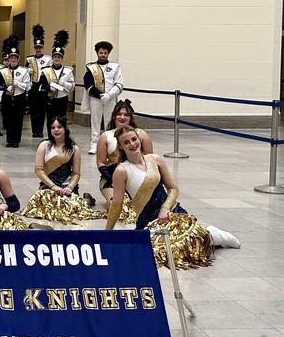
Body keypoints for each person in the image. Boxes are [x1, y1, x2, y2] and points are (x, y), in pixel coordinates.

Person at [106, 126, 239, 267]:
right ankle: (210, 234)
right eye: (126, 142)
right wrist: (106, 233)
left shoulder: (155, 160)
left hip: (172, 214)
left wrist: (165, 208)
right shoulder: (121, 170)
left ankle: (214, 235)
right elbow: (116, 204)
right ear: (121, 146)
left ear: (139, 139)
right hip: (148, 221)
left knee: (189, 243)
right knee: (160, 252)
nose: (132, 144)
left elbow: (173, 189)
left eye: (134, 139)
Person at [22, 116, 104, 225]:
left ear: (65, 128)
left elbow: (76, 173)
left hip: (67, 186)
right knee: (48, 208)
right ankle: (85, 200)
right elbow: (39, 170)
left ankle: (87, 201)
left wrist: (69, 187)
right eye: (53, 127)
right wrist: (53, 186)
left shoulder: (74, 148)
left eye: (59, 127)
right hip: (48, 186)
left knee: (71, 209)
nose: (56, 130)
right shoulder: (44, 146)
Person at [96, 99, 153, 202]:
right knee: (120, 209)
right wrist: (111, 179)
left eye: (126, 115)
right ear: (114, 116)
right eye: (119, 114)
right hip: (111, 179)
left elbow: (151, 160)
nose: (122, 117)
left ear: (130, 117)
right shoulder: (105, 136)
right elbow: (101, 162)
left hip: (137, 178)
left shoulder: (141, 134)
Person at [83, 40, 124, 154]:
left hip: (110, 99)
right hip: (96, 98)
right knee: (95, 121)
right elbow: (88, 83)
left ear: (108, 54)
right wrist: (100, 95)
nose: (103, 55)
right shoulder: (91, 67)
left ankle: (109, 144)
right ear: (97, 53)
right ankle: (94, 145)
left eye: (105, 53)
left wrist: (109, 95)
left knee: (109, 121)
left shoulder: (115, 67)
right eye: (101, 52)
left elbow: (119, 83)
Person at [0, 35, 31, 148]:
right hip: (7, 97)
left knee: (18, 120)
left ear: (18, 58)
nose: (13, 60)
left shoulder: (24, 71)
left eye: (15, 58)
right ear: (8, 59)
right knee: (8, 119)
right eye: (11, 58)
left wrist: (18, 84)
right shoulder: (3, 71)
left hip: (19, 97)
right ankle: (9, 140)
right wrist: (6, 88)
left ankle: (16, 140)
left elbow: (28, 86)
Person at [39, 29, 74, 129]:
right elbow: (40, 86)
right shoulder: (46, 70)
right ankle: (51, 140)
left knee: (62, 121)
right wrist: (49, 87)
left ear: (62, 58)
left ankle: (61, 140)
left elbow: (72, 86)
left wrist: (64, 84)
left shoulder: (68, 71)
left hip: (62, 99)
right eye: (55, 57)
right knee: (50, 121)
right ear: (52, 58)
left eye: (59, 57)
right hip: (50, 99)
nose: (57, 58)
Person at [25, 24, 51, 138]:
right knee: (33, 110)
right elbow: (24, 74)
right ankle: (34, 130)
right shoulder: (29, 59)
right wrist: (27, 71)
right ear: (34, 47)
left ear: (43, 48)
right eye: (36, 47)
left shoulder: (48, 59)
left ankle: (40, 130)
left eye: (40, 47)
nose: (38, 49)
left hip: (43, 87)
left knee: (42, 110)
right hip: (33, 86)